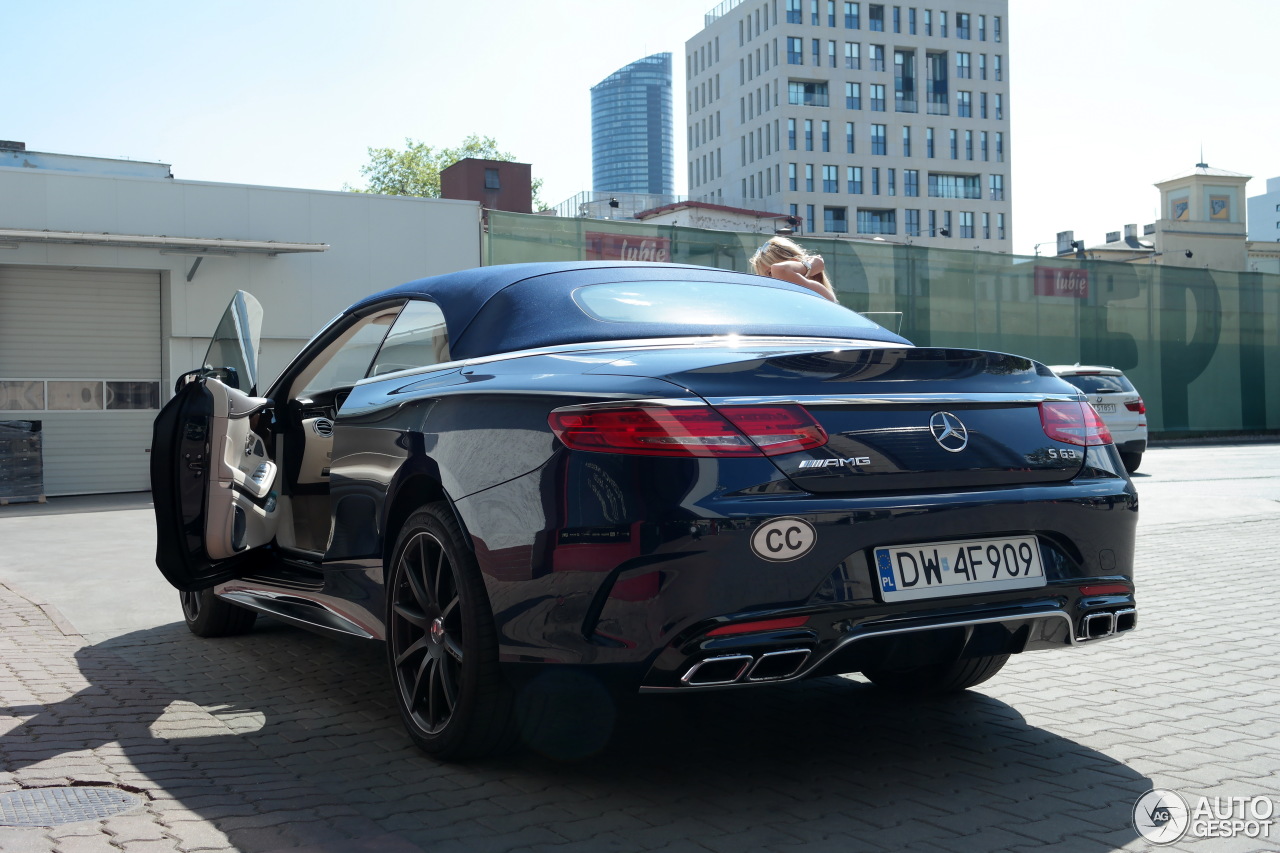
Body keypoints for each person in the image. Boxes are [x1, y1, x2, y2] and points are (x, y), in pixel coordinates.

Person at [748, 235, 837, 302]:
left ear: (794, 263)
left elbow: (781, 270)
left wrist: (809, 266)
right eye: (763, 276)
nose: (768, 281)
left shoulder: (817, 293)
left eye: (770, 273)